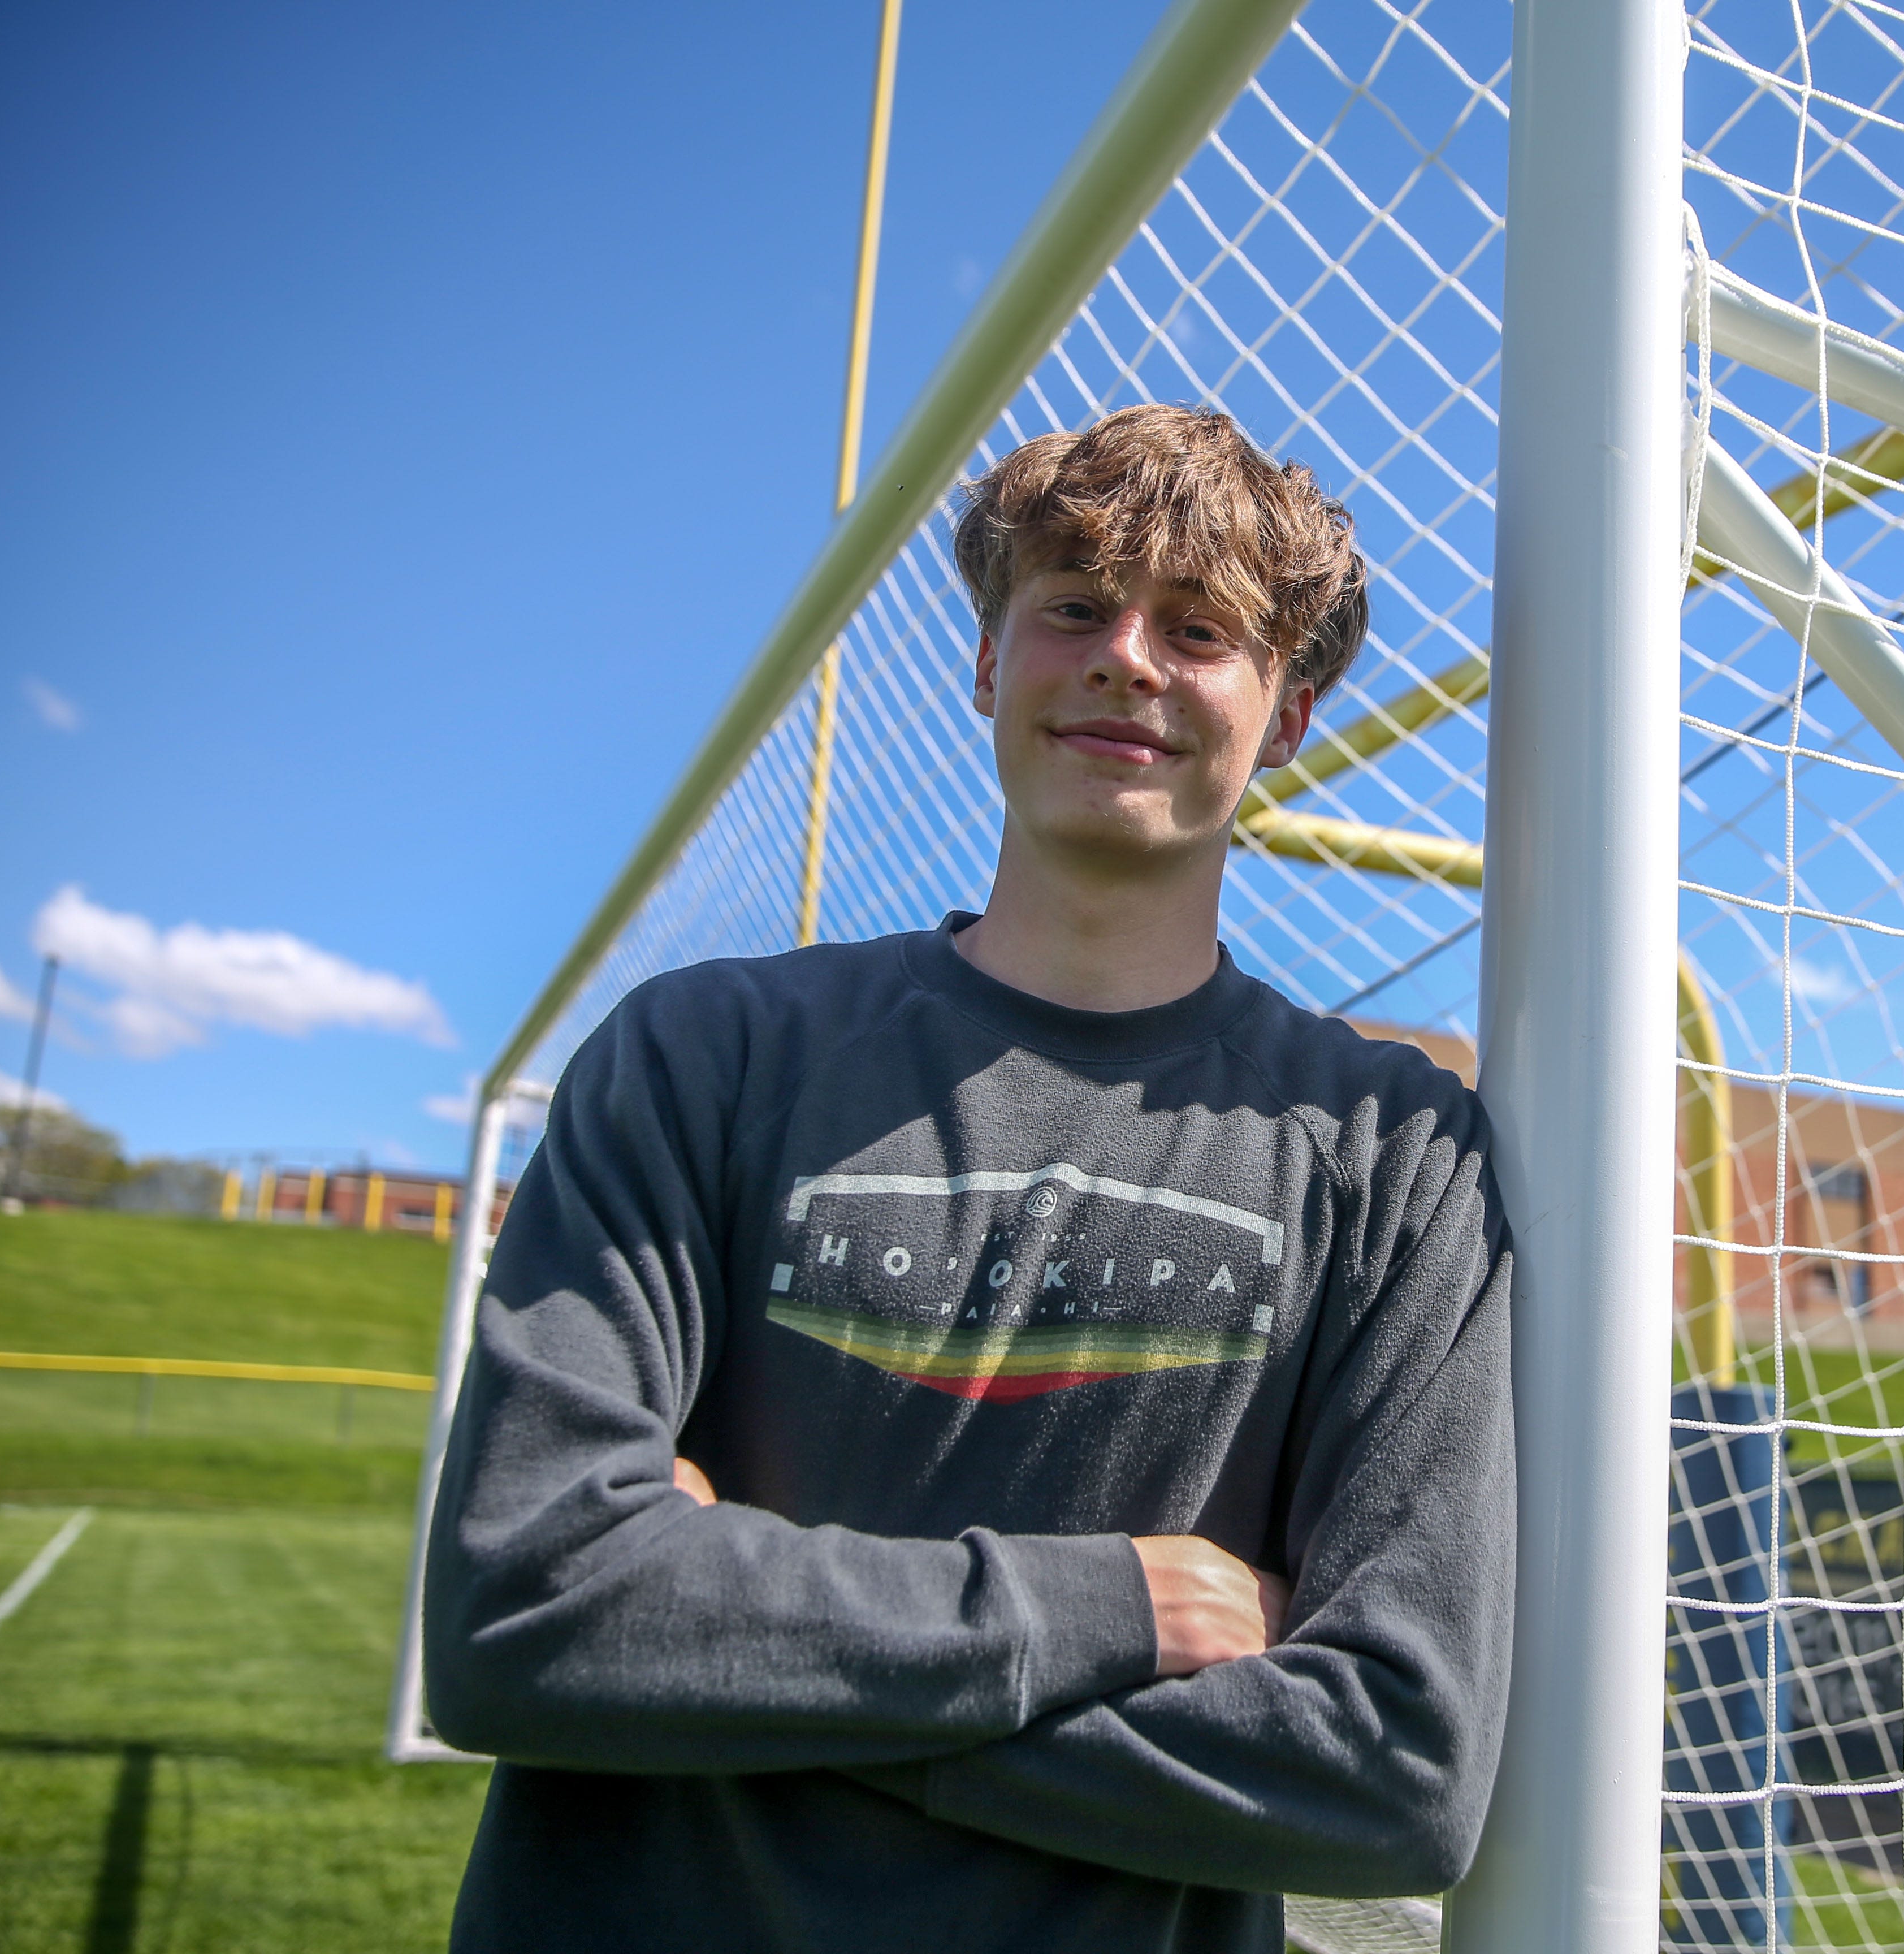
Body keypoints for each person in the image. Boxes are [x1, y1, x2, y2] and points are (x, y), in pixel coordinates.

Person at [423, 403, 1517, 1952]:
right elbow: (519, 1616)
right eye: (1073, 606)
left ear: (1290, 718)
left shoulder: (1395, 1151)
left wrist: (724, 1655)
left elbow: (1390, 1771)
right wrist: (1108, 1613)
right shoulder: (704, 1056)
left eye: (1200, 630)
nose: (1128, 657)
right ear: (989, 663)